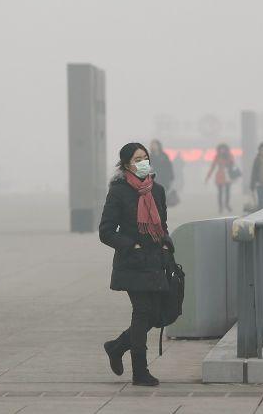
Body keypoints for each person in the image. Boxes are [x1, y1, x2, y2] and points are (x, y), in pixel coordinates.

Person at [99, 142, 175, 386]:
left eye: (145, 158)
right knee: (142, 312)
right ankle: (140, 371)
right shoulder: (118, 191)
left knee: (155, 314)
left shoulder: (158, 190)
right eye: (137, 159)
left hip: (155, 262)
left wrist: (165, 243)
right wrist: (132, 245)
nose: (143, 163)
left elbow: (162, 224)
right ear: (125, 164)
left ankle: (117, 346)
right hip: (132, 262)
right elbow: (106, 231)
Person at [205, 143, 235, 213]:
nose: (222, 150)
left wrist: (229, 159)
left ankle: (227, 205)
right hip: (220, 177)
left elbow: (233, 164)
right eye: (221, 149)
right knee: (220, 193)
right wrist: (208, 177)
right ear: (218, 150)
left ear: (226, 149)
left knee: (228, 192)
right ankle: (220, 207)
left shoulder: (230, 156)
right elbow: (212, 167)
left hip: (228, 176)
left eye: (224, 149)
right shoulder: (217, 157)